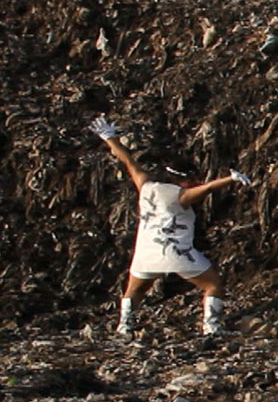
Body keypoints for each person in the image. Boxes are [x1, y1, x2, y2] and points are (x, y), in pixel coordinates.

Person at [90, 115, 251, 337]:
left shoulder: (146, 185)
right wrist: (230, 179)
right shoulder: (180, 195)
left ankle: (125, 326)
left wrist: (110, 138)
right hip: (177, 252)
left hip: (145, 253)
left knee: (134, 291)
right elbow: (206, 189)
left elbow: (127, 160)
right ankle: (211, 327)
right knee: (212, 284)